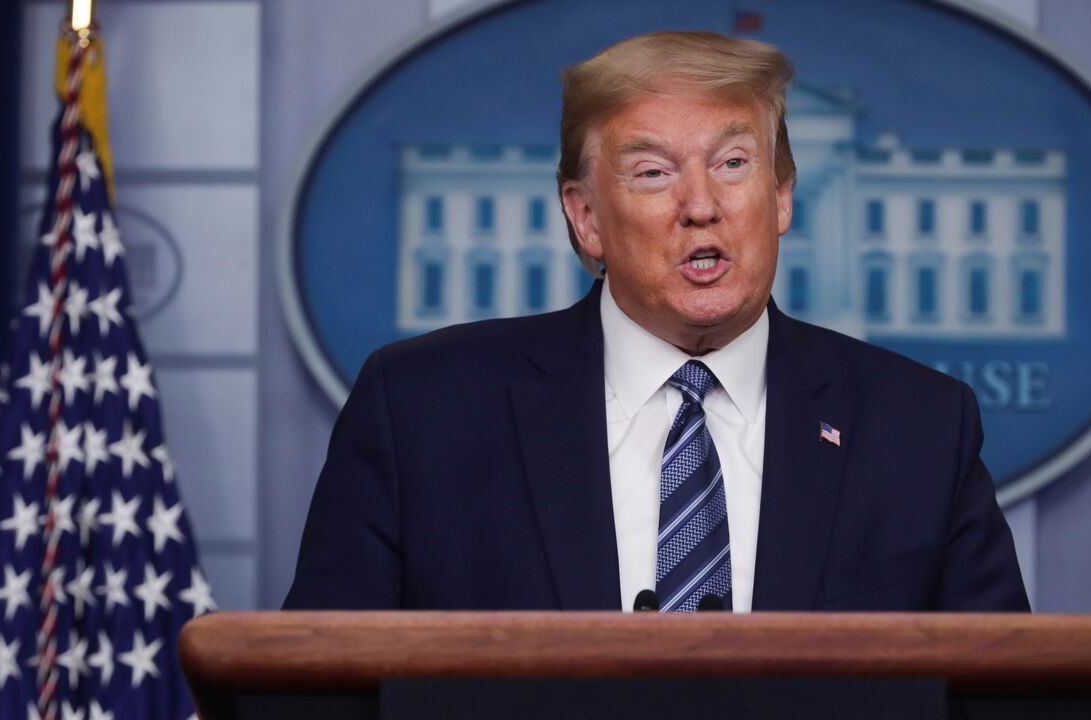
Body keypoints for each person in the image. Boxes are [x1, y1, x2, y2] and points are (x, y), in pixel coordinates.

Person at [284, 31, 1029, 613]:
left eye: (734, 163)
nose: (701, 205)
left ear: (781, 198)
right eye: (653, 172)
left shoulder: (921, 427)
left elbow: (1008, 698)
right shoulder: (421, 410)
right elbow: (313, 686)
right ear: (586, 219)